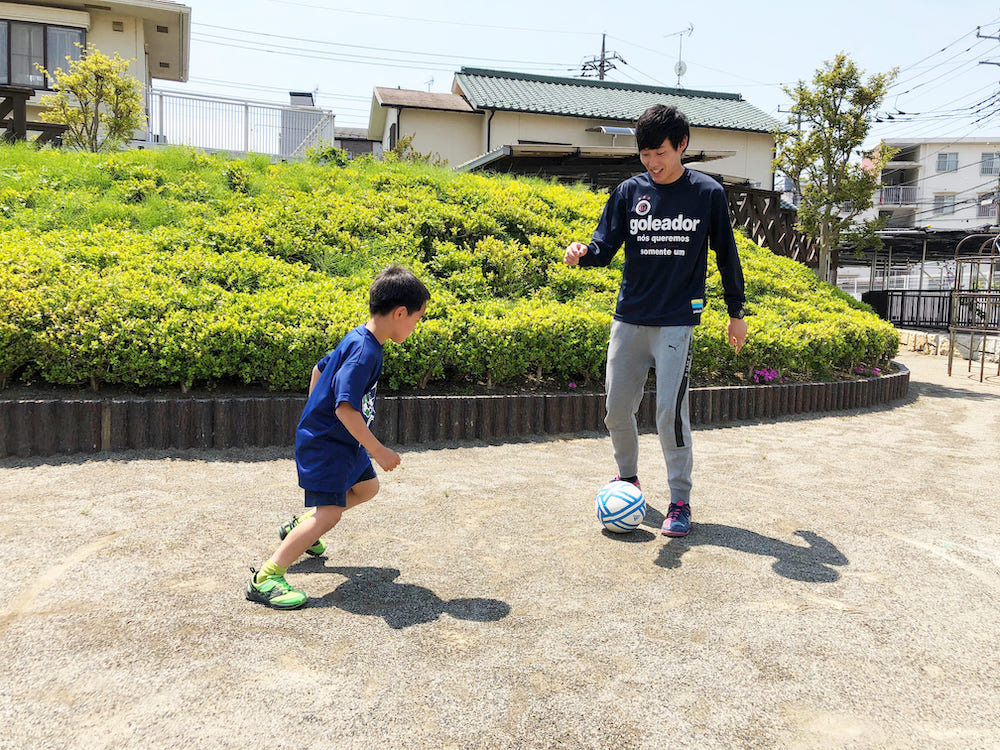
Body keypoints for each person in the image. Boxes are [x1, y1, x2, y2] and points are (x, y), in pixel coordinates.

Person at [564, 104, 748, 538]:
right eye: (645, 154)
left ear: (681, 145)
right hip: (629, 318)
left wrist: (736, 313)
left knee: (670, 414)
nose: (652, 162)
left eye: (660, 152)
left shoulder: (706, 194)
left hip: (675, 323)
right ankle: (627, 479)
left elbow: (727, 255)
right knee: (615, 409)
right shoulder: (629, 192)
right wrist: (583, 252)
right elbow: (604, 246)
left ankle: (679, 500)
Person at [246, 265, 431, 609]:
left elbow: (319, 368)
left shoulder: (359, 337)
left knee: (366, 488)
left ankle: (302, 528)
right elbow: (346, 409)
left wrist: (313, 412)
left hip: (342, 440)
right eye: (416, 319)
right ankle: (267, 577)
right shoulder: (366, 353)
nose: (414, 327)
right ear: (400, 312)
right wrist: (378, 450)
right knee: (329, 514)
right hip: (330, 444)